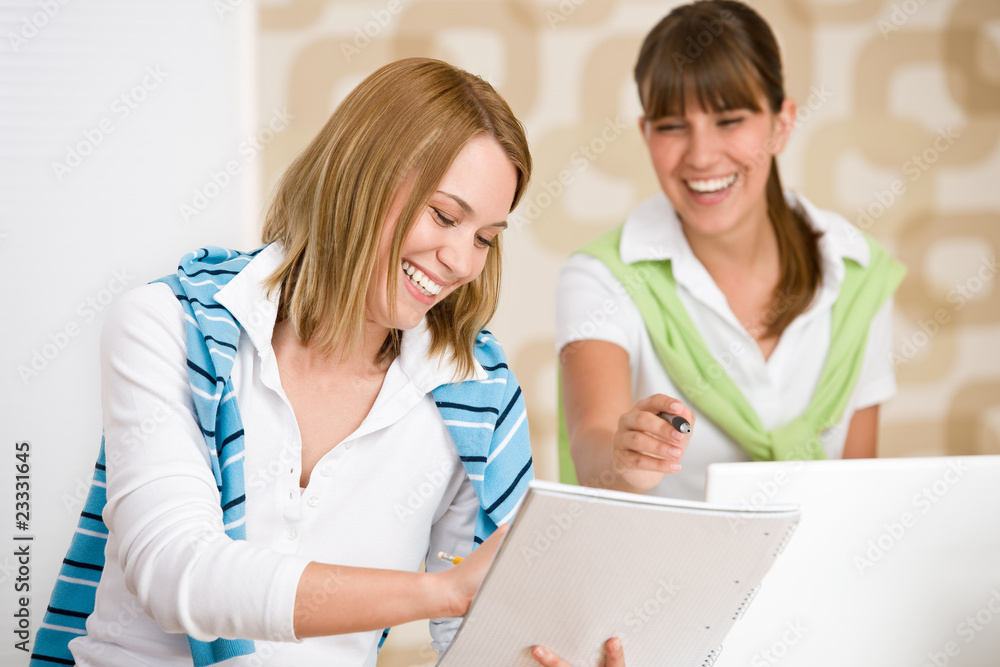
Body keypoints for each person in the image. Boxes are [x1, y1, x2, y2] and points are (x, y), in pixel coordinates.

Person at [31, 57, 550, 667]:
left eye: (486, 238)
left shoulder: (474, 393)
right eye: (444, 215)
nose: (462, 262)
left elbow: (481, 638)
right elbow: (177, 573)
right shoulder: (171, 325)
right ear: (361, 180)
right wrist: (438, 594)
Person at [556, 0, 906, 501]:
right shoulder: (602, 277)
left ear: (781, 123)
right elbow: (591, 447)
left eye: (729, 119)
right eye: (672, 126)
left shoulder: (856, 273)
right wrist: (626, 455)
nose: (700, 156)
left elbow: (857, 492)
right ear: (645, 134)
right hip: (663, 576)